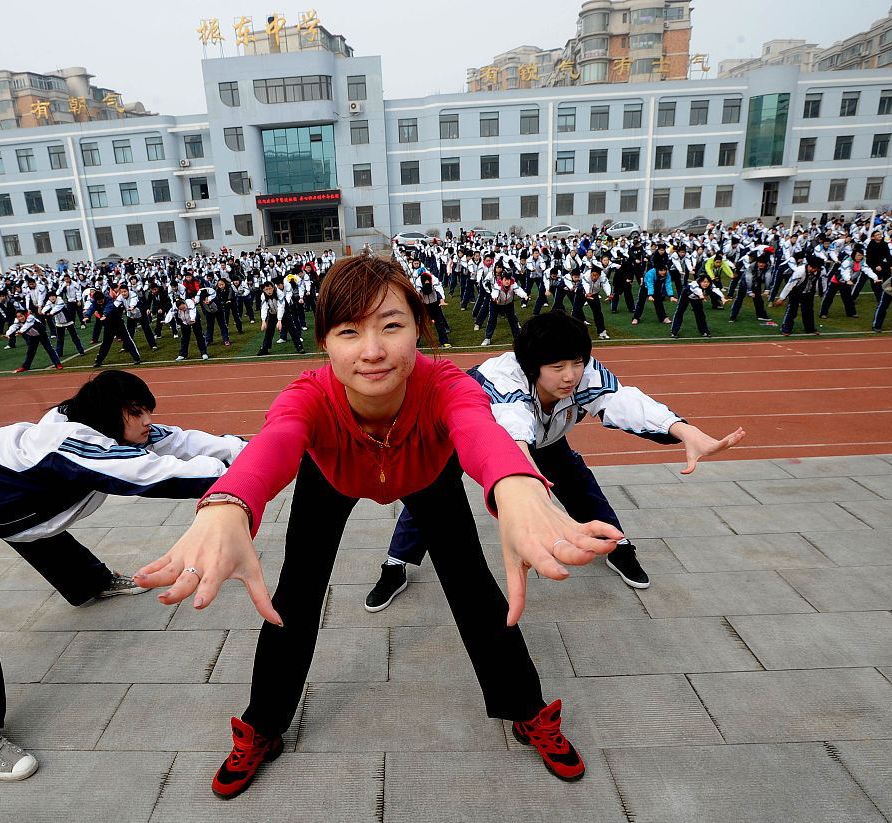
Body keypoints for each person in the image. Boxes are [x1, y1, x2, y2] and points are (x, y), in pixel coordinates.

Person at [134, 253, 626, 797]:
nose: (372, 351)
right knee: (291, 598)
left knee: (476, 588)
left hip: (426, 472)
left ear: (419, 326)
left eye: (392, 325)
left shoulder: (444, 384)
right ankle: (263, 726)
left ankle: (526, 708)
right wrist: (228, 503)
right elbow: (274, 442)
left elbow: (478, 430)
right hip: (333, 476)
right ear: (324, 342)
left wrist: (518, 485)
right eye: (349, 331)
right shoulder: (310, 395)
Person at [0, 371, 247, 781]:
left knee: (36, 519)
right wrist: (246, 474)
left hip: (7, 490)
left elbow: (182, 442)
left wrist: (253, 450)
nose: (146, 422)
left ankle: (90, 582)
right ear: (109, 413)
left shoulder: (118, 429)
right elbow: (153, 474)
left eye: (146, 412)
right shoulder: (70, 445)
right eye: (136, 413)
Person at [365, 311, 746, 611]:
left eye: (577, 363)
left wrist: (685, 431)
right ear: (532, 366)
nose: (570, 377)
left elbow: (624, 402)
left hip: (544, 439)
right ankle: (395, 565)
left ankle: (618, 545)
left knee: (577, 481)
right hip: (464, 435)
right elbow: (513, 434)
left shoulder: (583, 373)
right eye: (558, 367)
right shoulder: (503, 379)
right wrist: (531, 499)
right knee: (430, 495)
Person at [6, 308, 63, 373]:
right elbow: (14, 326)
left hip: (41, 334)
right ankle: (25, 366)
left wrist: (21, 331)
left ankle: (58, 364)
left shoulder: (30, 317)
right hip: (32, 336)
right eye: (18, 317)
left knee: (49, 349)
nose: (20, 318)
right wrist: (8, 333)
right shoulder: (17, 320)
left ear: (25, 315)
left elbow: (27, 326)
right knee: (30, 351)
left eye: (21, 316)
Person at [670, 272, 720, 339]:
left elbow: (716, 290)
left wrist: (723, 298)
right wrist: (701, 296)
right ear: (700, 282)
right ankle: (674, 332)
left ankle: (704, 331)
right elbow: (697, 290)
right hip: (686, 296)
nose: (706, 284)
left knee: (700, 314)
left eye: (708, 282)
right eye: (704, 282)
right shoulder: (694, 285)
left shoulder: (710, 285)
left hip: (697, 298)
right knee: (680, 312)